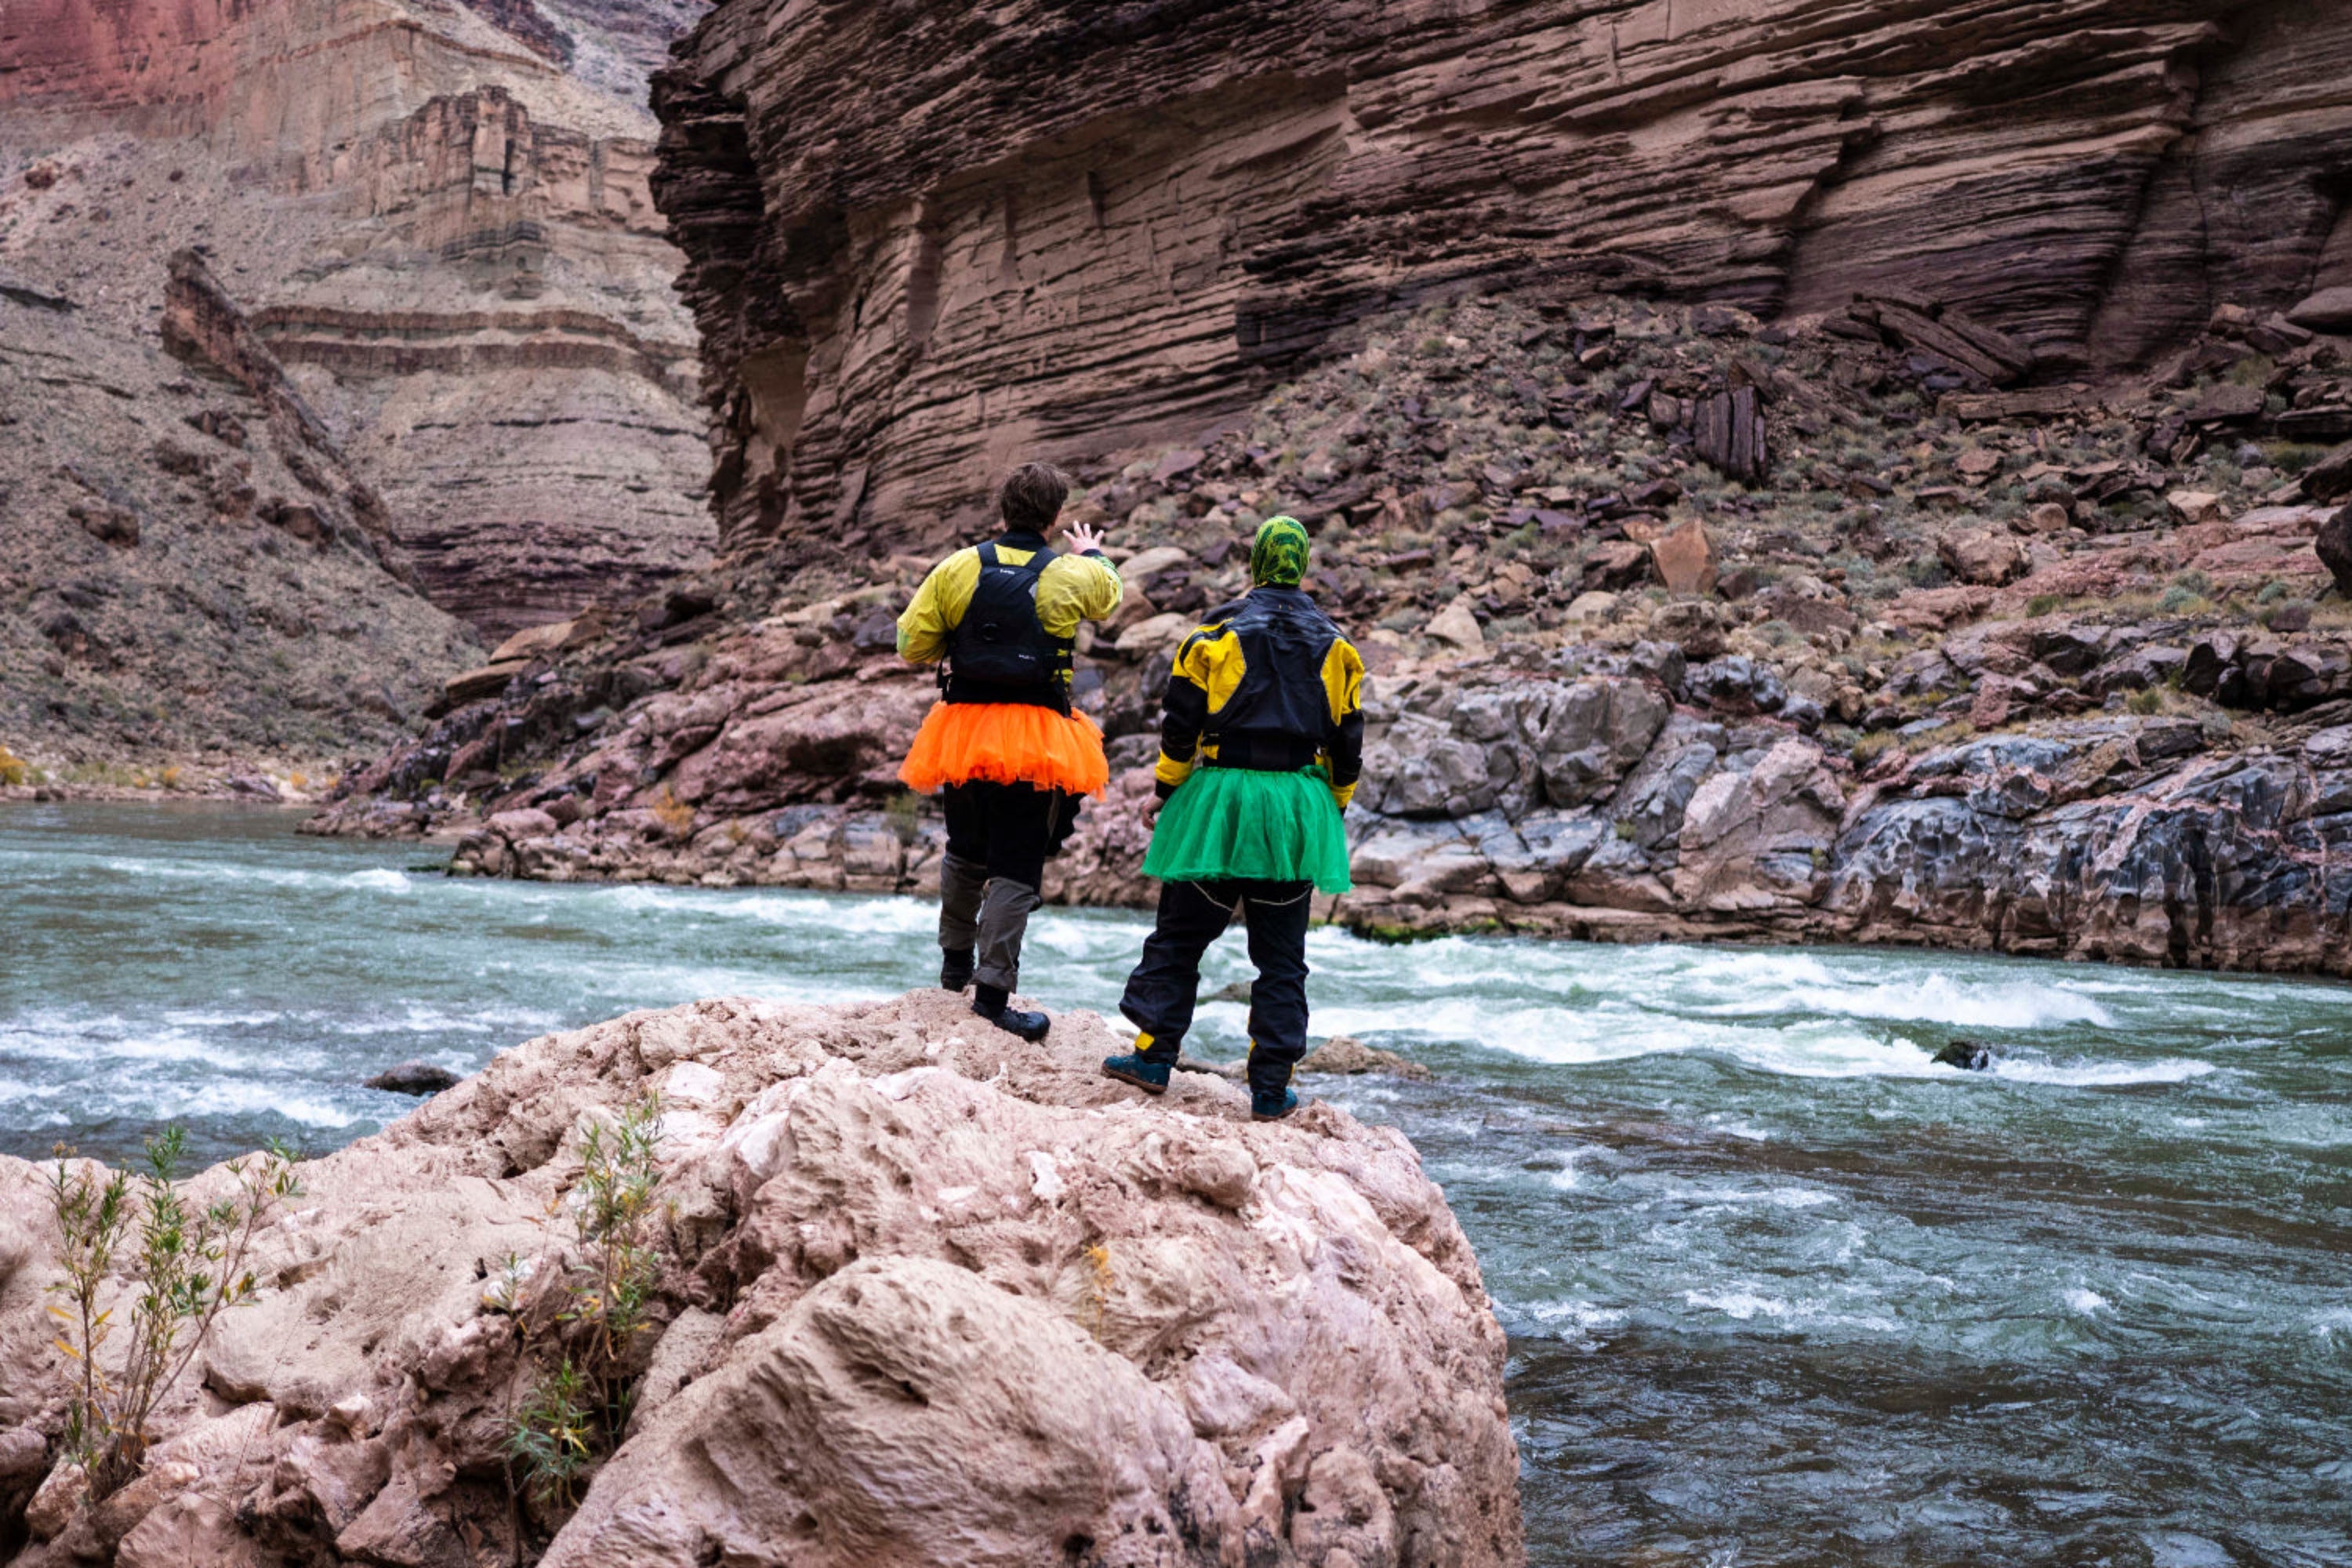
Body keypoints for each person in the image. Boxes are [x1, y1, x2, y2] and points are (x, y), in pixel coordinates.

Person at [1102, 515, 1363, 1120]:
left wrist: (1166, 791)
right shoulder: (1337, 646)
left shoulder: (1213, 633)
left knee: (1181, 935)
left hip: (1219, 798)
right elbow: (1348, 743)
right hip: (1296, 804)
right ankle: (1271, 1088)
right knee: (1282, 958)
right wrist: (1332, 808)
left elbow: (1180, 725)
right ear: (1300, 565)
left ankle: (1152, 1055)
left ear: (1255, 563)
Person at [896, 463, 1121, 1040]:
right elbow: (1110, 599)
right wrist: (1093, 554)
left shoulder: (958, 567)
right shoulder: (1070, 574)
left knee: (965, 851)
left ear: (1003, 510)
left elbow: (911, 644)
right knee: (1016, 865)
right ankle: (993, 997)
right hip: (1038, 737)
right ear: (1053, 518)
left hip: (964, 731)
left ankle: (954, 967)